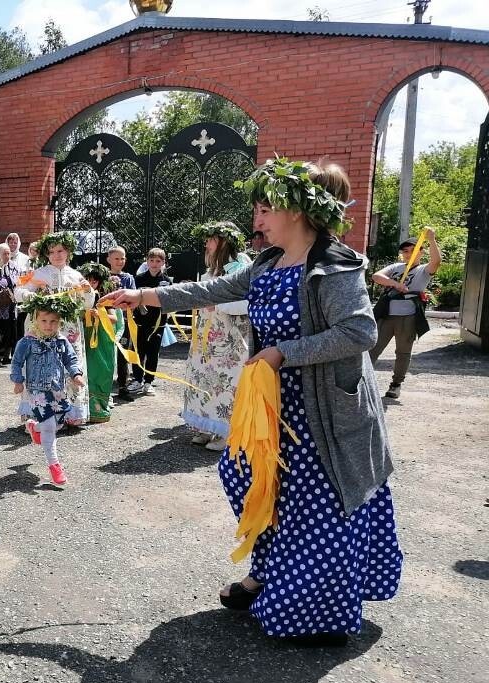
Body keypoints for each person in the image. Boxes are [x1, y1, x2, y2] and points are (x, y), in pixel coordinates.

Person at [103, 157, 402, 646]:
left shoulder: (333, 266)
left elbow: (360, 331)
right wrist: (146, 296)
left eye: (265, 209)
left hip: (321, 413)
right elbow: (210, 289)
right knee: (255, 481)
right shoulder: (268, 262)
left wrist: (285, 352)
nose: (256, 220)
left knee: (313, 504)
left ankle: (315, 613)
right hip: (272, 406)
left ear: (297, 210)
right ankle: (267, 573)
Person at [180, 222, 253, 451]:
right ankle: (205, 427)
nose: (206, 244)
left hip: (228, 340)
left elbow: (246, 303)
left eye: (211, 239)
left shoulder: (240, 267)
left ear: (223, 242)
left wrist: (218, 303)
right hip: (206, 338)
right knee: (202, 378)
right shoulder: (210, 270)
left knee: (226, 382)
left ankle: (227, 433)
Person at [13, 233, 94, 425]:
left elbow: (88, 304)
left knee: (68, 365)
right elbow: (18, 292)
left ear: (68, 251)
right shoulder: (38, 274)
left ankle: (69, 415)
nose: (56, 255)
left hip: (68, 330)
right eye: (52, 252)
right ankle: (38, 414)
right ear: (46, 254)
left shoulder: (75, 275)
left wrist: (87, 290)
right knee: (40, 368)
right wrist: (32, 297)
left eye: (60, 251)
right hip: (42, 329)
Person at [11, 293, 85, 487]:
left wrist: (76, 374)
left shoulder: (61, 341)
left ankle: (33, 427)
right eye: (44, 320)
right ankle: (54, 465)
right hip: (37, 391)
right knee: (50, 427)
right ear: (35, 319)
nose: (48, 325)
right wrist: (18, 380)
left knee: (59, 421)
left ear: (59, 322)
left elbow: (71, 359)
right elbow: (17, 362)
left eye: (53, 321)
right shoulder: (27, 342)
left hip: (57, 388)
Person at [369, 230, 441, 399]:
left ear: (421, 252)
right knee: (372, 348)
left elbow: (436, 262)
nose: (408, 254)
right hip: (387, 315)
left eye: (412, 250)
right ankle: (363, 379)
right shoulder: (396, 267)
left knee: (402, 352)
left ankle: (396, 384)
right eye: (405, 251)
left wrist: (431, 239)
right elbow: (376, 276)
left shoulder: (423, 270)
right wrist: (395, 283)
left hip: (408, 317)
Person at [78, 262, 123, 423]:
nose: (91, 283)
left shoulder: (105, 299)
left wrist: (98, 314)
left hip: (102, 339)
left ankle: (99, 407)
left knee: (101, 369)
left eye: (94, 280)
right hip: (86, 337)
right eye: (88, 280)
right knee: (86, 369)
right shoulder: (79, 298)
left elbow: (114, 318)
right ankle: (84, 408)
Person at [129, 248, 173, 397]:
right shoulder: (138, 279)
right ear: (147, 261)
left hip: (157, 324)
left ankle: (149, 382)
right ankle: (137, 379)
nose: (154, 264)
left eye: (158, 261)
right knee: (137, 352)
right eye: (152, 260)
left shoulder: (167, 281)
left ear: (163, 263)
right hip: (140, 323)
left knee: (153, 353)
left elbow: (169, 302)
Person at [105, 247, 136, 399]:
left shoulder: (128, 278)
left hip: (124, 321)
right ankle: (104, 388)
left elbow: (133, 297)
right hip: (107, 321)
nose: (120, 261)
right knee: (107, 353)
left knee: (123, 353)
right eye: (116, 258)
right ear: (109, 259)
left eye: (122, 258)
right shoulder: (103, 276)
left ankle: (123, 386)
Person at [0, 242, 20, 366]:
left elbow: (18, 280)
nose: (7, 256)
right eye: (4, 254)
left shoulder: (13, 266)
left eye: (8, 253)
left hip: (11, 305)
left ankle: (7, 356)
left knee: (11, 330)